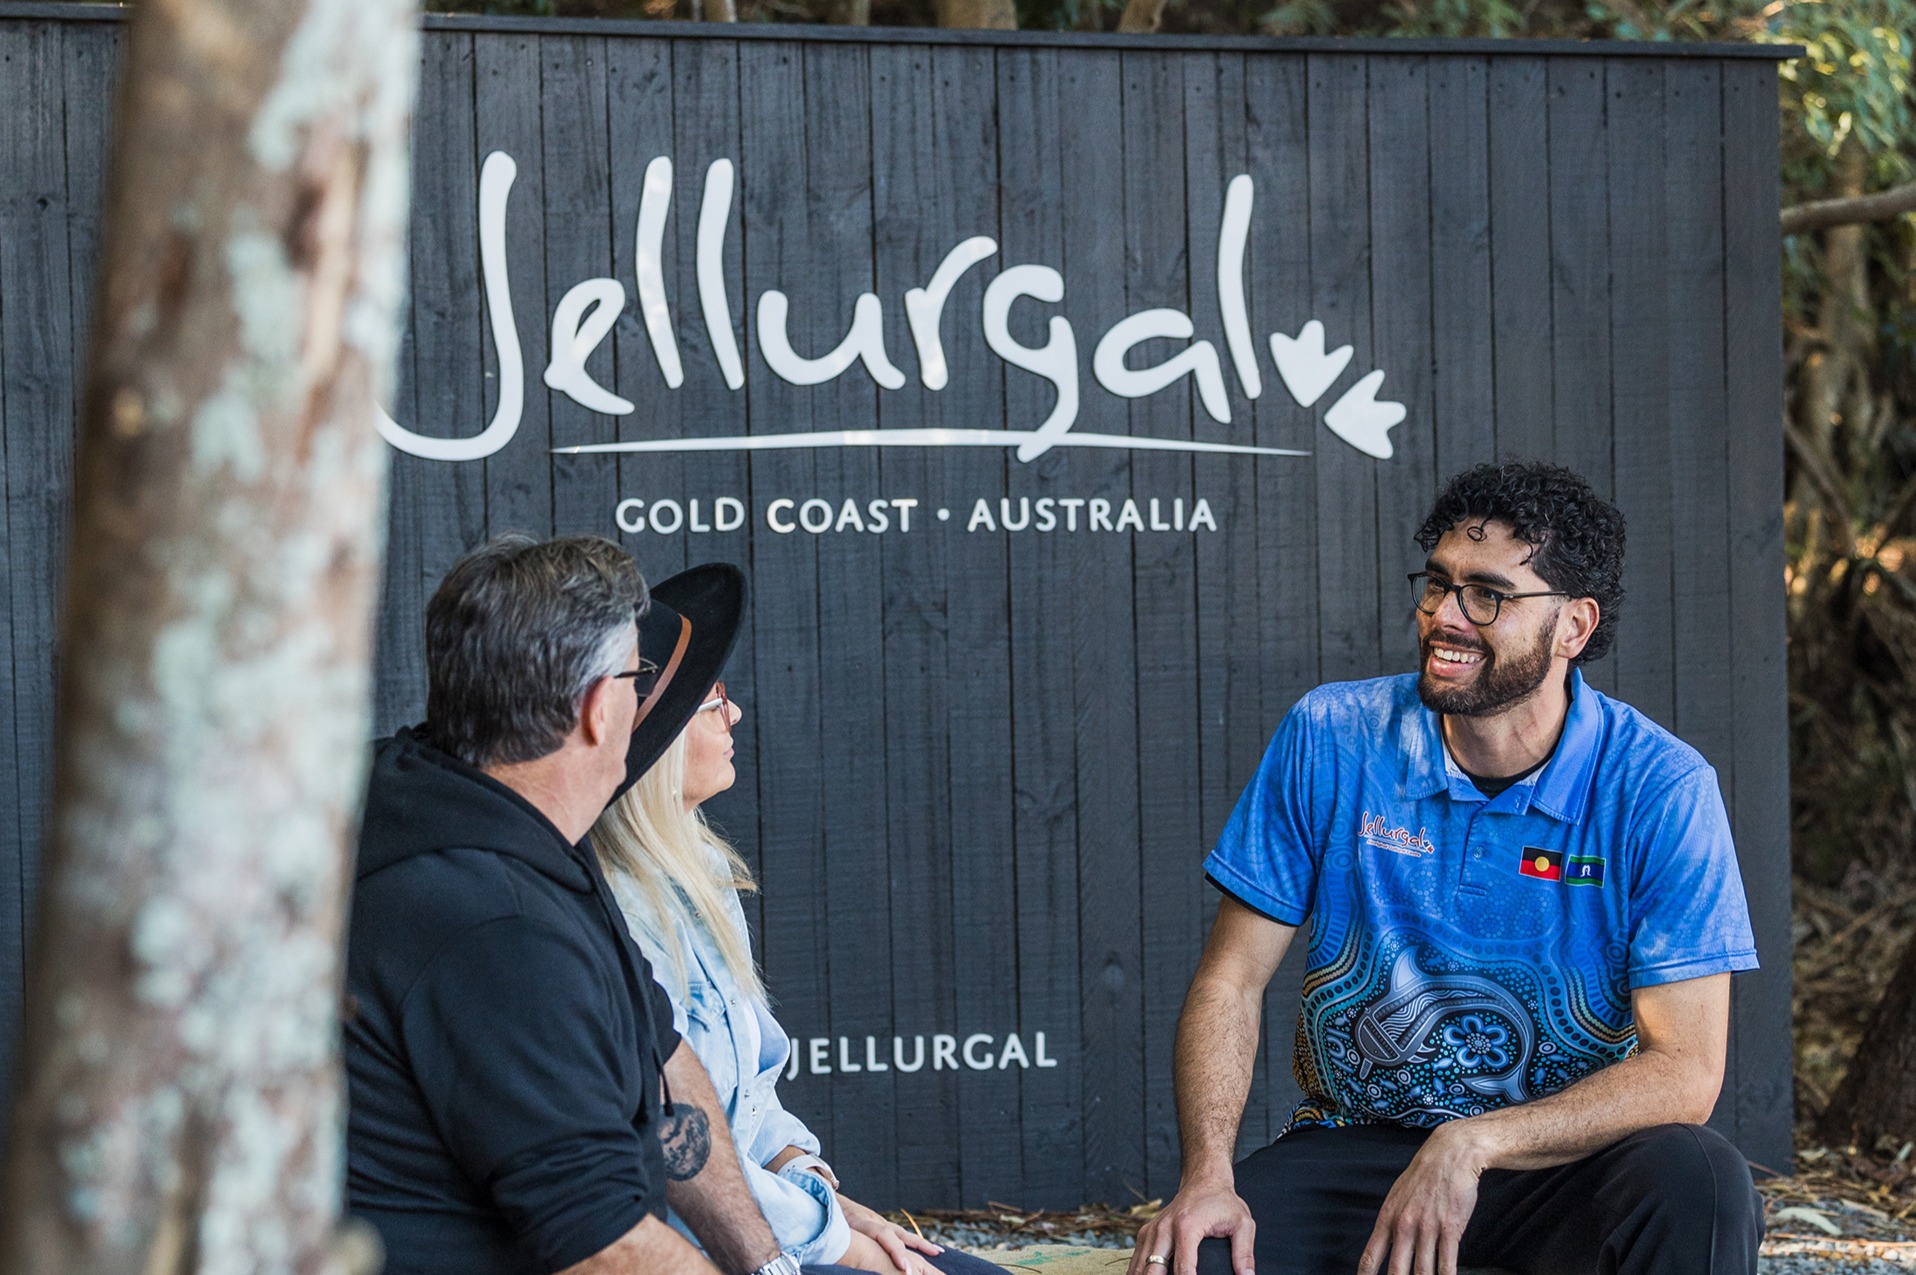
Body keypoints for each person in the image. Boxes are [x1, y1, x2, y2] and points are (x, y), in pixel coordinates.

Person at [1131, 463, 1764, 1275]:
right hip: (1358, 1150)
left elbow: (1685, 1070)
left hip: (1562, 1164)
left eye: (1487, 596)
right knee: (1197, 1258)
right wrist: (1207, 1177)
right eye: (1437, 584)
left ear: (1574, 625)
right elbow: (1230, 979)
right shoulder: (1332, 734)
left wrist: (1473, 1142)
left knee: (1701, 1179)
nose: (1445, 616)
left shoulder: (1662, 787)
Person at [345, 534, 805, 1275]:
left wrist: (768, 1266)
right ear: (598, 708)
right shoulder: (495, 924)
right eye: (636, 678)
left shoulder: (511, 818)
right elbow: (603, 1245)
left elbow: (662, 1062)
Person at [589, 564, 1005, 1275]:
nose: (735, 714)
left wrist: (812, 1178)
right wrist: (833, 1232)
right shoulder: (615, 914)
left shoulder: (704, 870)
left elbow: (751, 1092)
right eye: (713, 700)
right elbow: (675, 1149)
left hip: (781, 1220)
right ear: (655, 743)